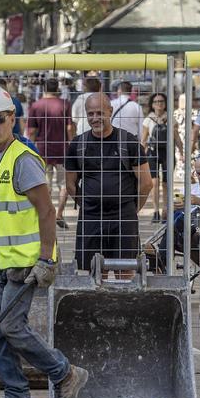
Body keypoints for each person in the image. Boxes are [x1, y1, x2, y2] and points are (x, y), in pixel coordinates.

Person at [0, 85, 89, 398]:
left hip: (27, 262)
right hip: (0, 262)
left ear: (12, 119)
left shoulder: (23, 160)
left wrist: (46, 258)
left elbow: (47, 211)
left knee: (13, 327)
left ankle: (64, 373)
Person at [65, 93, 153, 274]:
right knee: (96, 273)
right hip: (91, 219)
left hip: (123, 218)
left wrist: (132, 208)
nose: (95, 119)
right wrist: (89, 204)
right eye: (90, 114)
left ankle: (123, 303)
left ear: (110, 112)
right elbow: (70, 185)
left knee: (125, 271)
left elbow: (146, 183)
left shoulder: (128, 142)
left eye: (100, 113)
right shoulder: (78, 145)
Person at [27, 78, 74, 229]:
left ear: (43, 89)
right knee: (64, 184)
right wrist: (71, 144)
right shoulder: (65, 104)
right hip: (62, 149)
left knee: (44, 183)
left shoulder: (36, 105)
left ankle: (46, 213)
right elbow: (69, 128)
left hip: (42, 150)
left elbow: (32, 131)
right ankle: (59, 213)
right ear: (57, 88)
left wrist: (30, 148)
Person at [140, 92, 171, 222]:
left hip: (167, 153)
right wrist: (140, 155)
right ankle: (155, 211)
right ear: (152, 104)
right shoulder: (148, 119)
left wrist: (182, 152)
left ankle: (165, 210)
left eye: (162, 101)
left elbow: (176, 137)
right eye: (156, 102)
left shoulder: (170, 118)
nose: (159, 104)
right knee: (154, 182)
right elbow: (144, 139)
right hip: (152, 153)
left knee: (166, 183)